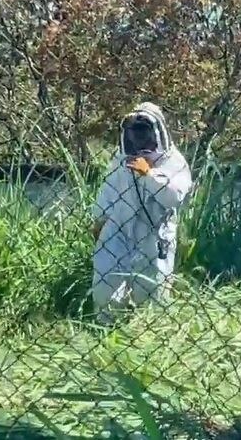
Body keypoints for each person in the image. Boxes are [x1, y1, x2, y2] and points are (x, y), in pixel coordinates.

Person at [90, 102, 193, 324]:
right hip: (117, 228)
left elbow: (174, 197)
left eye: (144, 132)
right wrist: (100, 219)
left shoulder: (173, 162)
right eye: (134, 133)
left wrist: (150, 174)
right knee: (105, 285)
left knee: (152, 290)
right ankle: (106, 330)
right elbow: (108, 190)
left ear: (158, 131)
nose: (139, 138)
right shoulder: (120, 159)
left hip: (154, 232)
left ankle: (149, 335)